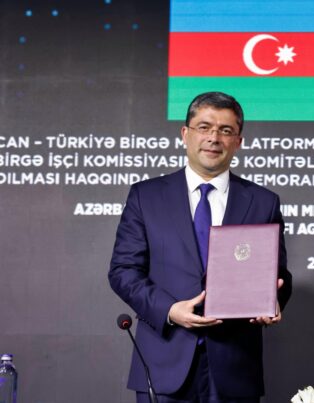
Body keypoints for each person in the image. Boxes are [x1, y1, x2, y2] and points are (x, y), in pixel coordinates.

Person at [109, 91, 291, 402]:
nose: (213, 138)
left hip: (235, 365)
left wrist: (273, 299)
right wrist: (169, 310)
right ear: (185, 134)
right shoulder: (146, 196)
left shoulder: (263, 201)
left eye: (225, 130)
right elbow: (123, 271)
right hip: (164, 361)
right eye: (204, 127)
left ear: (238, 142)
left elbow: (278, 274)